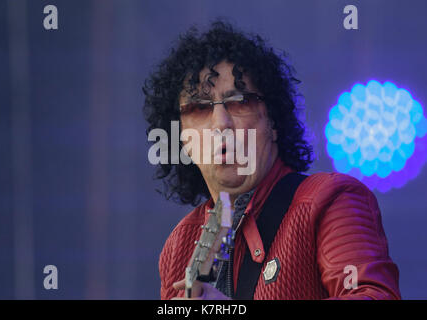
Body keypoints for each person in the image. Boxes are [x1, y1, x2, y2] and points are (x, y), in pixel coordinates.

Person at [143, 20, 401, 300]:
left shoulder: (331, 199)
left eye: (240, 101)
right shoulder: (179, 244)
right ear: (183, 139)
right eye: (199, 108)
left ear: (273, 122)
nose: (221, 123)